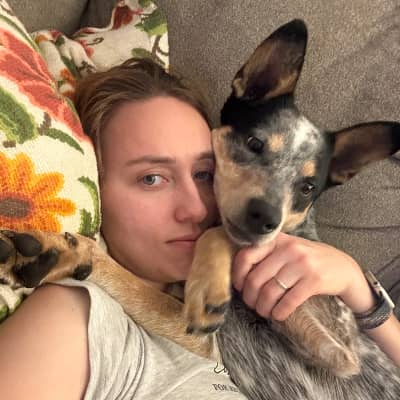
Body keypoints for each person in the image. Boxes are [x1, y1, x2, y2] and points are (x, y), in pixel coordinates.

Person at [0, 58, 398, 400]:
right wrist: (93, 264)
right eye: (152, 178)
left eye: (205, 174)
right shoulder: (77, 319)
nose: (196, 208)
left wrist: (362, 295)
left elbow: (342, 360)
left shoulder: (241, 281)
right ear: (91, 180)